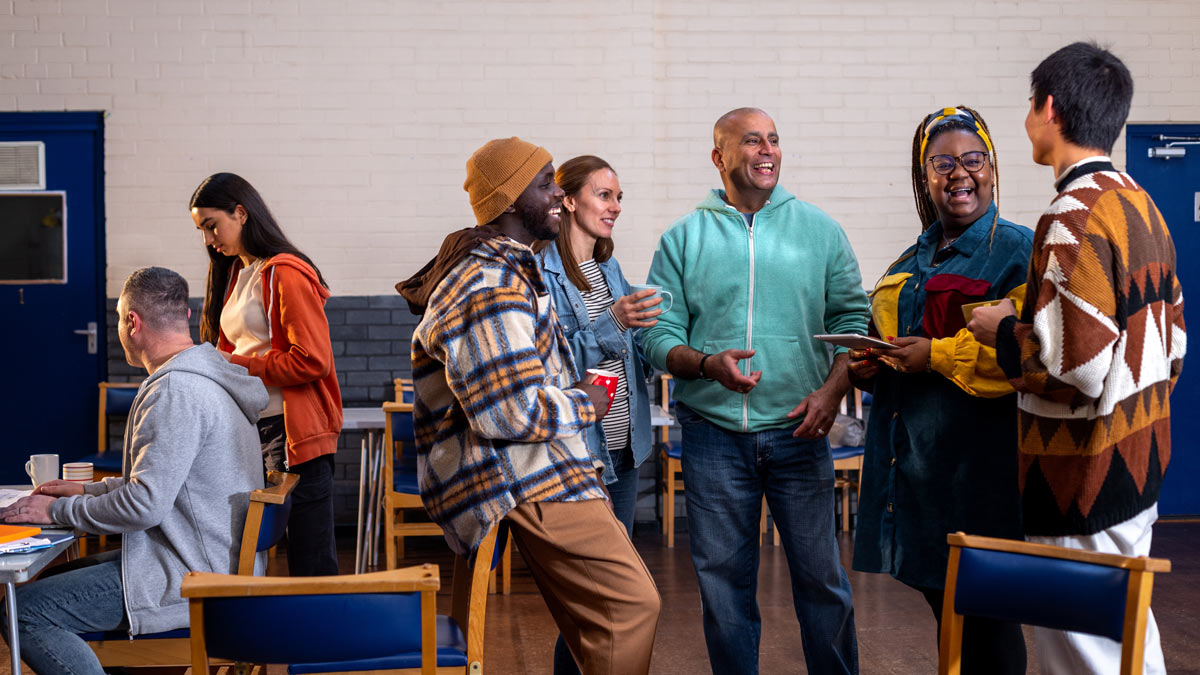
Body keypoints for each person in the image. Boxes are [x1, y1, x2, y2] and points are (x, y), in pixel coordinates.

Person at [397, 137, 660, 675]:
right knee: (633, 606)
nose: (559, 194)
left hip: (542, 465)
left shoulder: (509, 268)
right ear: (512, 200)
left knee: (602, 617)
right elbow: (510, 414)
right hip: (522, 474)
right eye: (545, 183)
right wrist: (586, 400)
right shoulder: (489, 281)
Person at [969, 42, 1186, 675]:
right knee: (1127, 643)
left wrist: (1003, 328)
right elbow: (1173, 351)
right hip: (1138, 461)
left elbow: (1076, 370)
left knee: (1081, 656)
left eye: (1029, 105)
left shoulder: (1072, 214)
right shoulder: (1141, 204)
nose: (1027, 120)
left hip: (1082, 473)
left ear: (1050, 108)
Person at [641, 108, 864, 674]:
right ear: (720, 158)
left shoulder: (819, 230)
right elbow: (657, 337)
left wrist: (832, 393)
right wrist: (704, 364)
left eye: (773, 139)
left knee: (823, 583)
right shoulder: (683, 238)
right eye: (750, 141)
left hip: (799, 430)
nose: (766, 150)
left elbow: (855, 323)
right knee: (724, 591)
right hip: (713, 437)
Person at [0, 266, 267, 675]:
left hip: (192, 577)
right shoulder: (209, 377)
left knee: (22, 612)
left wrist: (53, 512)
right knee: (42, 589)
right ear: (188, 317)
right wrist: (89, 493)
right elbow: (168, 484)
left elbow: (145, 505)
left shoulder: (176, 391)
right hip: (207, 560)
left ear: (131, 322)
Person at [848, 106, 1031, 673]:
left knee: (990, 627)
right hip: (917, 474)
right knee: (950, 617)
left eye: (972, 159)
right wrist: (870, 365)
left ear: (993, 168)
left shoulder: (1020, 252)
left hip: (981, 475)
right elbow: (889, 340)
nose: (959, 174)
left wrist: (935, 354)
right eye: (942, 163)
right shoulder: (907, 263)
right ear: (923, 176)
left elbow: (1025, 357)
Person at [536, 155, 660, 675]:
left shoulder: (607, 268)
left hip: (624, 444)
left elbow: (626, 353)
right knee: (593, 593)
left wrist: (671, 341)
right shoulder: (541, 267)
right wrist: (614, 320)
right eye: (603, 195)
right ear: (568, 200)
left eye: (618, 197)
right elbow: (553, 359)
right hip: (581, 452)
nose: (614, 207)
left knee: (612, 591)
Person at [191, 172, 342, 576]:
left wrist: (233, 365)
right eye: (202, 231)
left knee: (311, 560)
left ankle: (323, 637)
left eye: (212, 226)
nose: (209, 239)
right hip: (256, 429)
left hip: (293, 432)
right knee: (256, 548)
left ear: (240, 213)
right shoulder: (238, 275)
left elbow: (312, 361)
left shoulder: (284, 271)